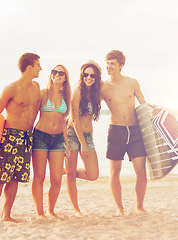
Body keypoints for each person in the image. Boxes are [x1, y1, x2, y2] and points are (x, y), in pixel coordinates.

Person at [0, 52, 42, 225]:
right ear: (29, 67)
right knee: (1, 177)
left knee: (16, 178)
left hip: (27, 137)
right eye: (38, 65)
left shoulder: (36, 87)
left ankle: (6, 214)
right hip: (10, 137)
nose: (41, 68)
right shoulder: (11, 88)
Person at [100, 50, 147, 216]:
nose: (108, 66)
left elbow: (144, 106)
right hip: (116, 132)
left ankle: (139, 206)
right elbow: (89, 105)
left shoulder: (132, 82)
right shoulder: (103, 88)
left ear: (120, 65)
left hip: (135, 131)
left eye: (112, 63)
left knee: (141, 171)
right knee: (114, 172)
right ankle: (119, 208)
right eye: (107, 63)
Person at [31, 64, 71, 219]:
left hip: (58, 139)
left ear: (65, 78)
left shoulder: (66, 97)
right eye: (55, 72)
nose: (57, 75)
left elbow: (63, 122)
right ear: (51, 75)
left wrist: (66, 143)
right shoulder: (42, 94)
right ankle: (40, 213)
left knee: (56, 178)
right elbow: (33, 116)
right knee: (39, 176)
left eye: (61, 73)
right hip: (40, 137)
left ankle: (51, 210)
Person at [65, 60, 101, 215]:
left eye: (92, 75)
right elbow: (74, 119)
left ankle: (64, 170)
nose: (89, 77)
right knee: (71, 176)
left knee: (93, 175)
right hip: (73, 134)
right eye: (86, 74)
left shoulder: (95, 92)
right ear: (81, 75)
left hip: (88, 135)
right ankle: (76, 209)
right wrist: (83, 144)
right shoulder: (77, 91)